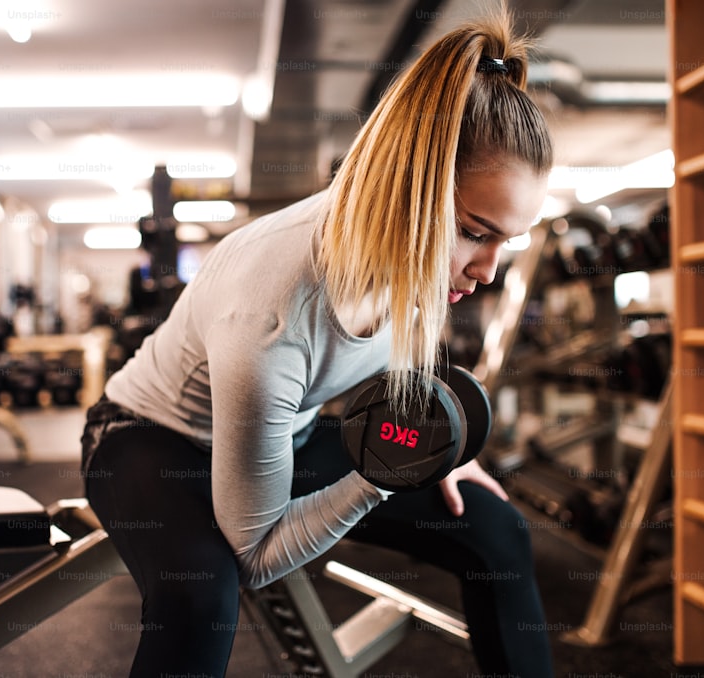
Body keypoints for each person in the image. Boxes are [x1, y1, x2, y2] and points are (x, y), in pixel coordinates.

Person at [81, 8, 554, 677]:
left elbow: (395, 387)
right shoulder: (274, 303)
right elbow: (259, 552)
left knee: (496, 527)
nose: (489, 271)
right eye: (477, 231)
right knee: (202, 593)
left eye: (507, 240)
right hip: (152, 440)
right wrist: (380, 474)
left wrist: (434, 450)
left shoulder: (422, 266)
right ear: (409, 196)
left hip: (287, 434)